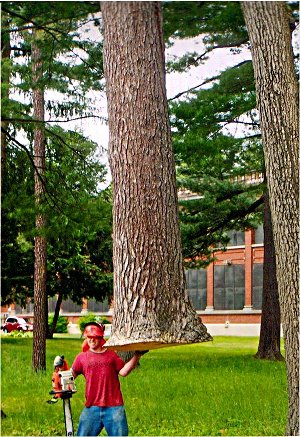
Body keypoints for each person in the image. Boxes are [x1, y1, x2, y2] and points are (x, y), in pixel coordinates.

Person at [71, 322, 147, 437]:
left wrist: (137, 355)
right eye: (89, 337)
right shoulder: (81, 357)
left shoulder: (111, 355)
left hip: (114, 407)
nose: (91, 340)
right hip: (91, 407)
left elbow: (123, 372)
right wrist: (62, 377)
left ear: (101, 337)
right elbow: (72, 374)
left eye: (94, 338)